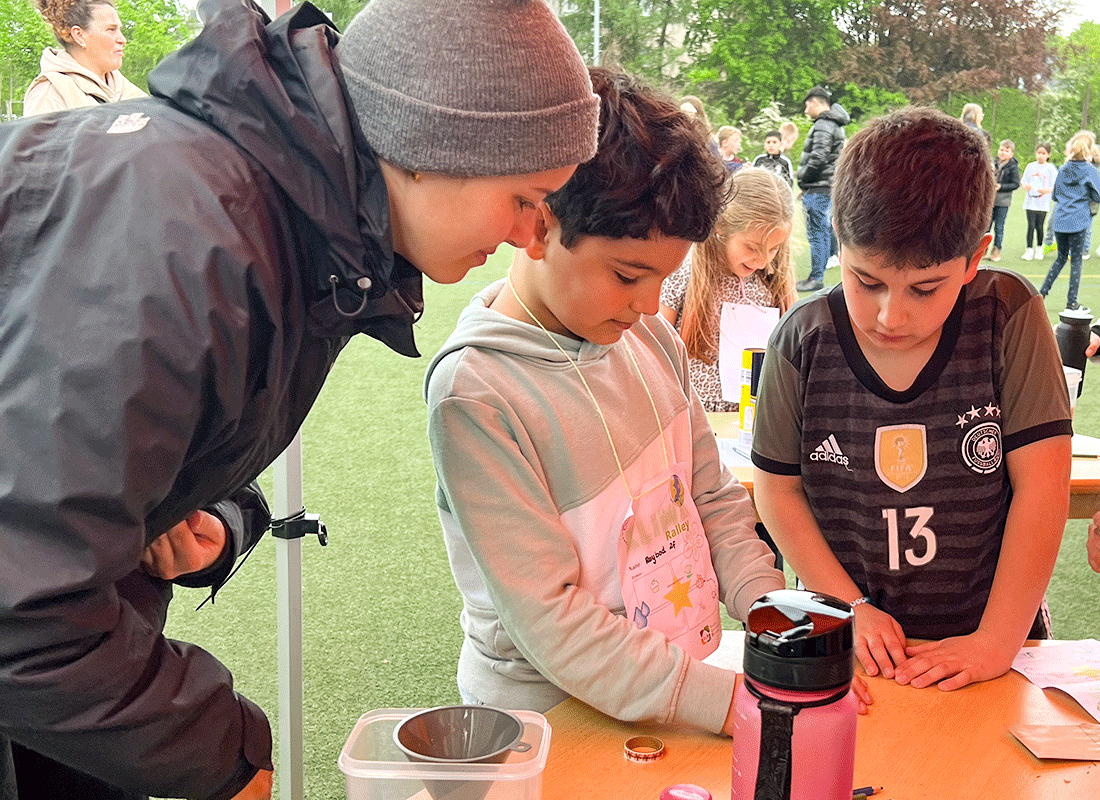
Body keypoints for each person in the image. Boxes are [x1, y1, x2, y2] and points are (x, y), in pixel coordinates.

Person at [0, 0, 599, 798]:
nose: (532, 236)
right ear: (428, 148)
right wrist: (223, 749)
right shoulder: (196, 238)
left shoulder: (306, 231)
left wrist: (211, 513)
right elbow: (23, 603)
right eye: (527, 197)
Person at [425, 68, 816, 738]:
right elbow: (551, 618)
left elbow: (713, 498)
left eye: (663, 278)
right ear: (541, 226)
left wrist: (773, 614)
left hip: (668, 693)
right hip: (545, 722)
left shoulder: (652, 337)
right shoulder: (476, 394)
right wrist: (727, 704)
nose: (646, 304)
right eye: (629, 275)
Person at [752, 107, 1072, 695]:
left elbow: (1043, 487)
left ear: (976, 257)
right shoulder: (802, 337)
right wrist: (847, 608)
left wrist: (995, 643)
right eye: (865, 280)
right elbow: (777, 489)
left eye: (925, 288)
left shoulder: (1010, 314)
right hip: (846, 647)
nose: (889, 316)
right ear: (838, 247)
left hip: (991, 644)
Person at [659, 168, 797, 413]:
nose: (763, 261)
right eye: (752, 247)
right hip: (692, 416)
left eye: (774, 249)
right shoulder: (684, 272)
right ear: (722, 225)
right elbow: (651, 345)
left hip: (751, 421)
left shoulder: (773, 282)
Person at [23, 0, 145, 116]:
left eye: (120, 30)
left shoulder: (126, 90)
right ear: (79, 35)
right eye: (111, 30)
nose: (122, 40)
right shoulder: (50, 94)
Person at [1038, 131, 1100, 311]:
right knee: (1077, 260)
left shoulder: (1064, 169)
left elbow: (1056, 195)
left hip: (1061, 219)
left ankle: (1042, 292)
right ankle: (1072, 301)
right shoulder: (1090, 170)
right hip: (1079, 220)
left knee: (1061, 258)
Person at [795, 85, 849, 293]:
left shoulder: (824, 125)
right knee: (824, 231)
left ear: (815, 102)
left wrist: (805, 179)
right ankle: (818, 274)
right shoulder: (833, 123)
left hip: (818, 188)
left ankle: (816, 278)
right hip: (826, 187)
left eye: (807, 104)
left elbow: (818, 156)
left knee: (817, 233)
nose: (806, 108)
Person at [1021, 143, 1058, 260]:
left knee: (1040, 226)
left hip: (1043, 203)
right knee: (1030, 226)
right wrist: (1025, 185)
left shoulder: (1051, 168)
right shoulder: (1031, 166)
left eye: (1043, 153)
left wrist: (1046, 191)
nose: (1041, 156)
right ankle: (1028, 249)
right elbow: (1024, 181)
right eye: (1039, 153)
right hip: (1030, 202)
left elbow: (1055, 185)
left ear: (1048, 155)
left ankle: (1039, 248)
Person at [984, 139, 1020, 262]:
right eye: (1001, 150)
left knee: (999, 227)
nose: (1003, 152)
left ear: (1011, 154)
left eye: (1006, 151)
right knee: (986, 226)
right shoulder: (993, 163)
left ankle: (996, 250)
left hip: (1003, 202)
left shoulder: (1013, 167)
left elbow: (1015, 184)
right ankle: (983, 249)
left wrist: (1001, 187)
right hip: (990, 200)